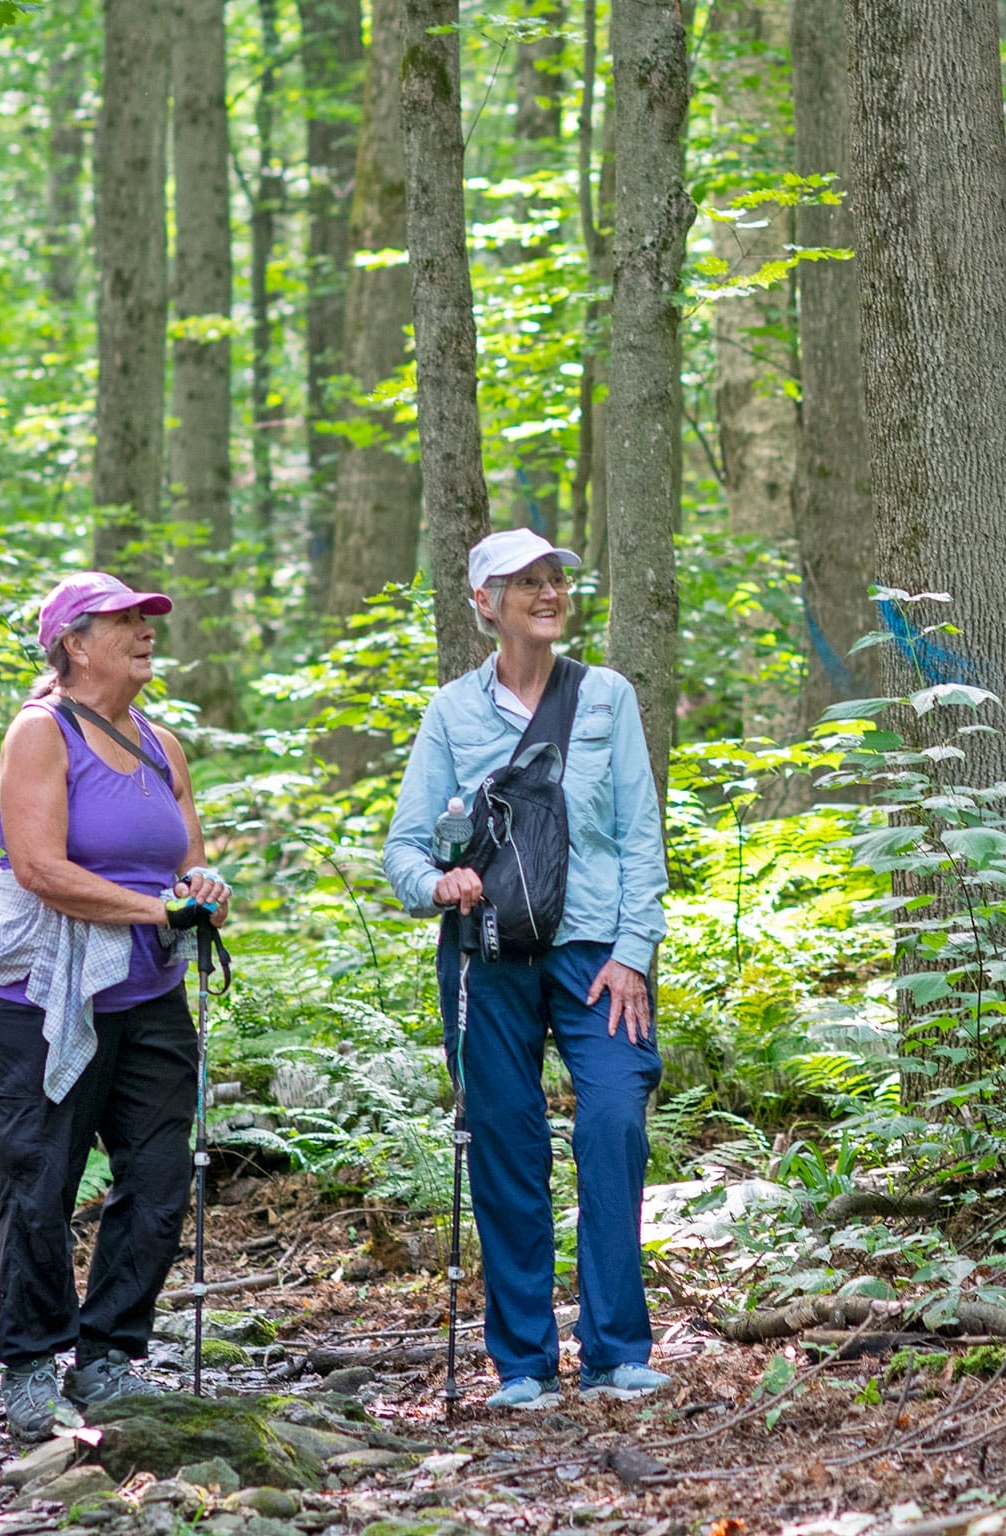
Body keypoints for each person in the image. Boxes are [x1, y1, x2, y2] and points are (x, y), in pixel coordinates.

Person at [383, 529, 671, 1410]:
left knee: (614, 1123)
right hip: (488, 957)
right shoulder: (451, 713)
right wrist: (442, 881)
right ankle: (522, 1365)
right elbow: (401, 852)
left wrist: (634, 955)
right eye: (526, 582)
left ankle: (618, 1349)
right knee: (508, 1146)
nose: (548, 593)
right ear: (485, 602)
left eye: (555, 579)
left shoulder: (607, 697)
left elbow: (639, 835)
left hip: (595, 956)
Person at [0, 572, 231, 1442]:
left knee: (159, 1179)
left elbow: (186, 858)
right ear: (75, 643)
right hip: (43, 993)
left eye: (149, 621)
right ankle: (31, 1364)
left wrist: (199, 886)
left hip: (148, 990)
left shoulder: (160, 742)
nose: (146, 634)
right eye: (126, 623)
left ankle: (110, 1353)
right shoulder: (40, 732)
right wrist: (158, 909)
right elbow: (40, 868)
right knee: (39, 1182)